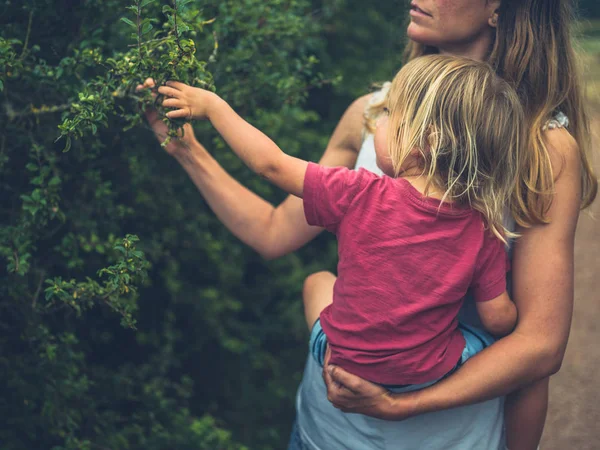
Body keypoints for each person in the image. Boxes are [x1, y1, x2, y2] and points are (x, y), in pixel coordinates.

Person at [139, 0, 597, 448]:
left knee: (319, 284)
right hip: (325, 432)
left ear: (501, 7)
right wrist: (186, 150)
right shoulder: (372, 112)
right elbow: (273, 230)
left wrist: (403, 404)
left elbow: (539, 348)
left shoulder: (543, 147)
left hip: (455, 439)